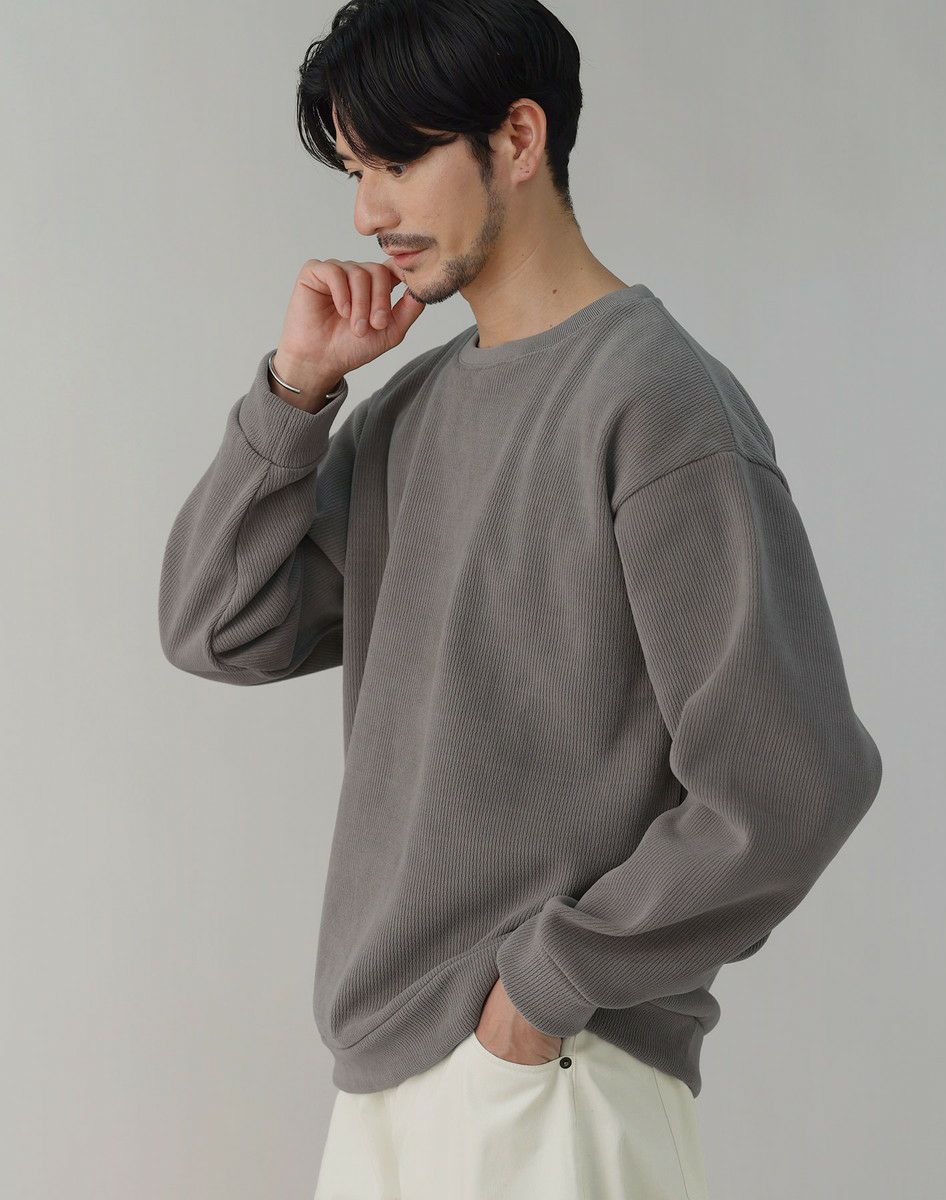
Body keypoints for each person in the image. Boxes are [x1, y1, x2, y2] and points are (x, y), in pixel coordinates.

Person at [157, 2, 883, 1196]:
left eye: (398, 162)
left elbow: (793, 777)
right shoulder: (407, 416)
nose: (366, 213)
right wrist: (296, 392)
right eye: (353, 170)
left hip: (546, 1081)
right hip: (389, 1081)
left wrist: (544, 993)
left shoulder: (655, 403)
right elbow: (214, 627)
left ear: (518, 138)